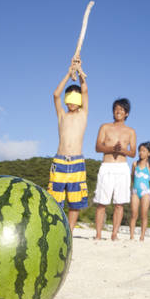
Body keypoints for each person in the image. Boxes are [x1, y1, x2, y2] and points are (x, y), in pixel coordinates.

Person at [47, 56, 89, 235]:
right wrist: (68, 73)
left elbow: (85, 90)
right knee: (54, 199)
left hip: (77, 163)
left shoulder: (83, 114)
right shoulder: (62, 116)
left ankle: (69, 232)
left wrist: (80, 72)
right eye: (69, 98)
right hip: (60, 160)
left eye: (75, 97)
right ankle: (55, 229)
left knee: (75, 201)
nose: (72, 101)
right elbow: (55, 94)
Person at [94, 98, 137, 240]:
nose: (118, 111)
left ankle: (114, 234)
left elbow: (133, 153)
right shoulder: (105, 127)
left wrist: (122, 150)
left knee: (119, 203)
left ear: (127, 113)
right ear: (113, 111)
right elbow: (98, 147)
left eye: (122, 109)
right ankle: (98, 234)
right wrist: (112, 148)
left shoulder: (131, 131)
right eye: (116, 109)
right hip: (106, 166)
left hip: (122, 167)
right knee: (102, 202)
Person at [129, 142, 150, 241]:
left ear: (149, 153)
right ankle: (131, 236)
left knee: (144, 214)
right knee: (133, 214)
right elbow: (132, 176)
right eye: (140, 150)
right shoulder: (134, 164)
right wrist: (133, 188)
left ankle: (142, 237)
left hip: (146, 192)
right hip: (135, 191)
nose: (141, 153)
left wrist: (149, 191)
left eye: (143, 151)